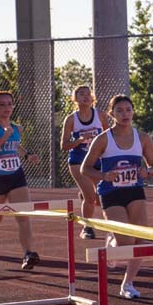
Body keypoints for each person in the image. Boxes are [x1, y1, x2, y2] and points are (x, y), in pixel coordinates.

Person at [81, 94, 153, 299]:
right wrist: (104, 175)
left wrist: (147, 172)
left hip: (135, 191)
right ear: (111, 114)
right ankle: (113, 241)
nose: (125, 114)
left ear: (133, 112)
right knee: (126, 243)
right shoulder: (103, 139)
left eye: (128, 110)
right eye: (120, 110)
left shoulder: (142, 138)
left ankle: (128, 283)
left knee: (141, 239)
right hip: (111, 192)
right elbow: (85, 168)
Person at [0, 91, 43, 269]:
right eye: (2, 104)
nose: (7, 107)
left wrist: (28, 155)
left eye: (9, 104)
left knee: (23, 216)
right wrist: (4, 137)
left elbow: (15, 146)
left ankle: (28, 254)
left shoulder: (15, 128)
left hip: (16, 176)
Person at [60, 85, 111, 238]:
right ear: (75, 99)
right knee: (91, 197)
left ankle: (85, 196)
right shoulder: (71, 119)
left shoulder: (100, 115)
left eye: (88, 93)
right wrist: (80, 140)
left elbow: (109, 136)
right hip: (78, 161)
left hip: (97, 160)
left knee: (102, 195)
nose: (86, 96)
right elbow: (64, 145)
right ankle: (87, 228)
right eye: (81, 94)